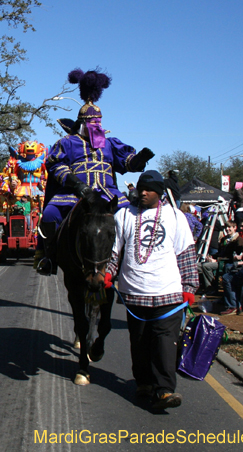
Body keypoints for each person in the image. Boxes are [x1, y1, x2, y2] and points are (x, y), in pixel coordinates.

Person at [38, 67, 154, 274]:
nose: (95, 125)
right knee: (49, 214)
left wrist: (138, 160)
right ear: (81, 123)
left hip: (108, 195)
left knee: (133, 218)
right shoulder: (68, 142)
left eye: (98, 122)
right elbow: (56, 165)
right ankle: (49, 257)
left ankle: (132, 261)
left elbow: (126, 163)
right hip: (75, 195)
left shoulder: (110, 144)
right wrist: (77, 185)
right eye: (91, 122)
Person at [106, 170, 198, 409]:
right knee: (139, 341)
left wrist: (189, 286)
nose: (142, 193)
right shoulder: (124, 215)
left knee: (164, 341)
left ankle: (165, 390)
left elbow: (186, 253)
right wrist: (107, 272)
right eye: (140, 188)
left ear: (159, 192)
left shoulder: (176, 217)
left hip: (168, 293)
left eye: (148, 189)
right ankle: (144, 383)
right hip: (134, 292)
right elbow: (114, 251)